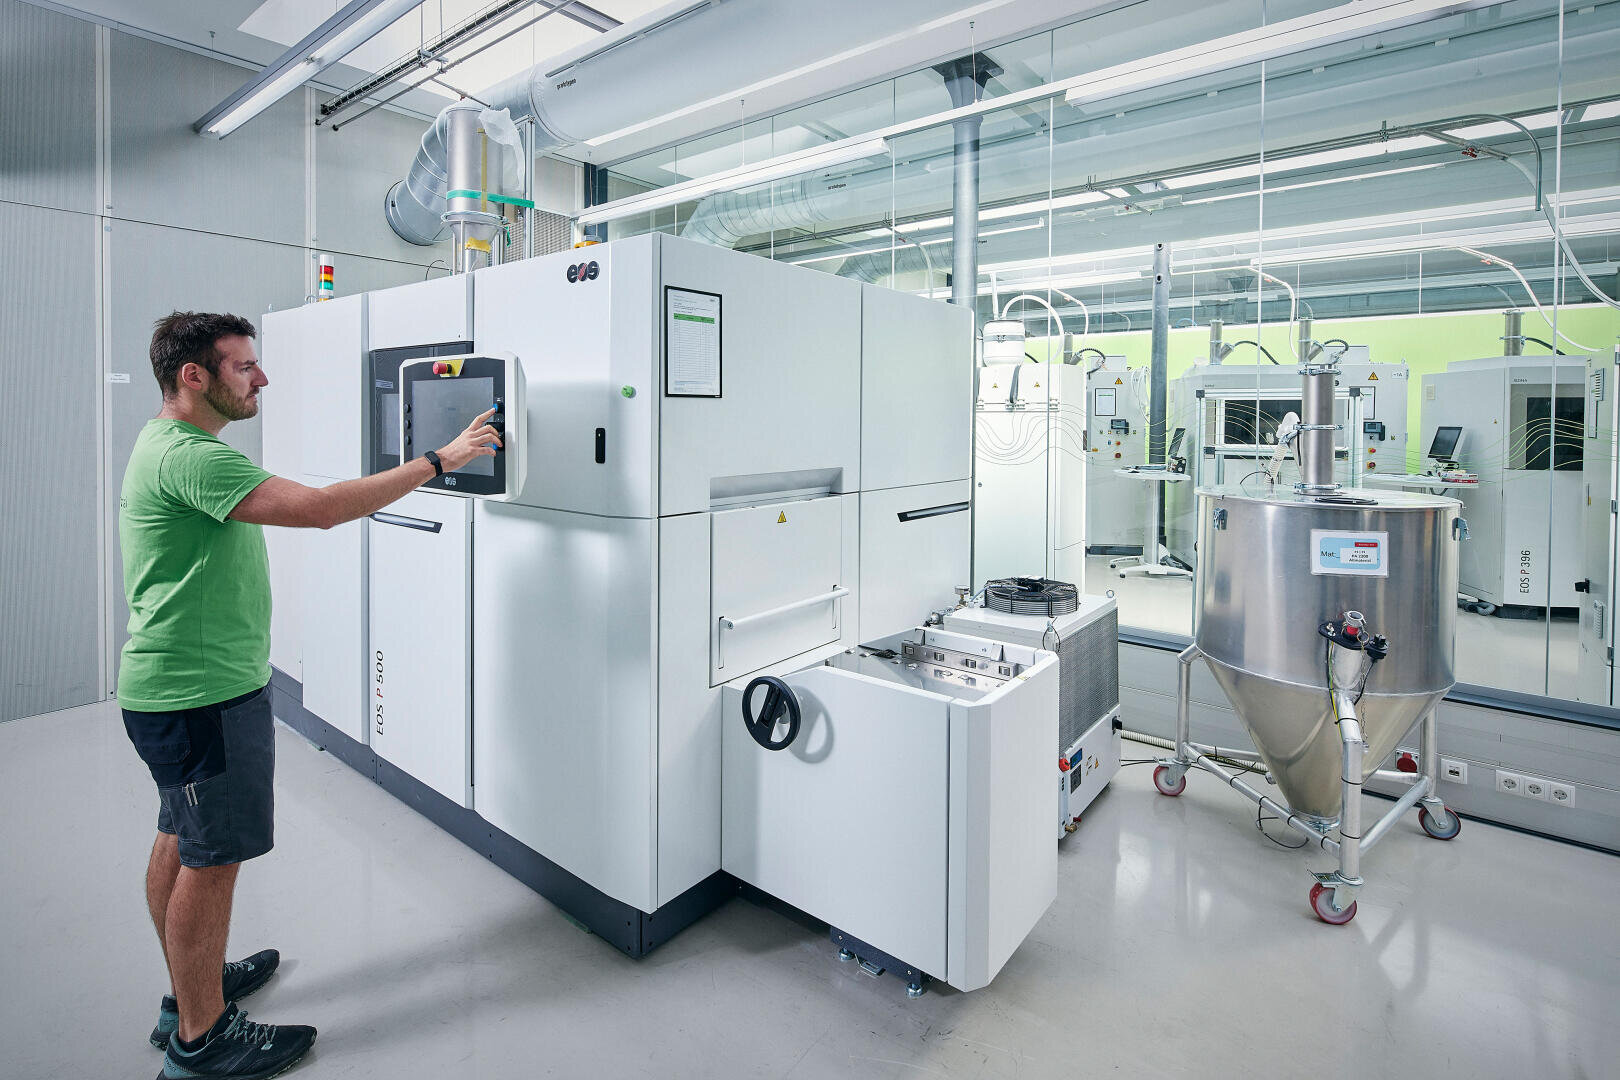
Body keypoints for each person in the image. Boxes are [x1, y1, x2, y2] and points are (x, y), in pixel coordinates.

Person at [119, 311, 499, 1079]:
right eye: (244, 367)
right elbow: (323, 510)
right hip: (201, 695)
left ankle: (187, 992)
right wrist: (439, 457)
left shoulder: (166, 444)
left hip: (174, 692)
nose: (262, 378)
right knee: (211, 857)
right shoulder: (192, 456)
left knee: (179, 837)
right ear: (194, 376)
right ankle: (201, 1041)